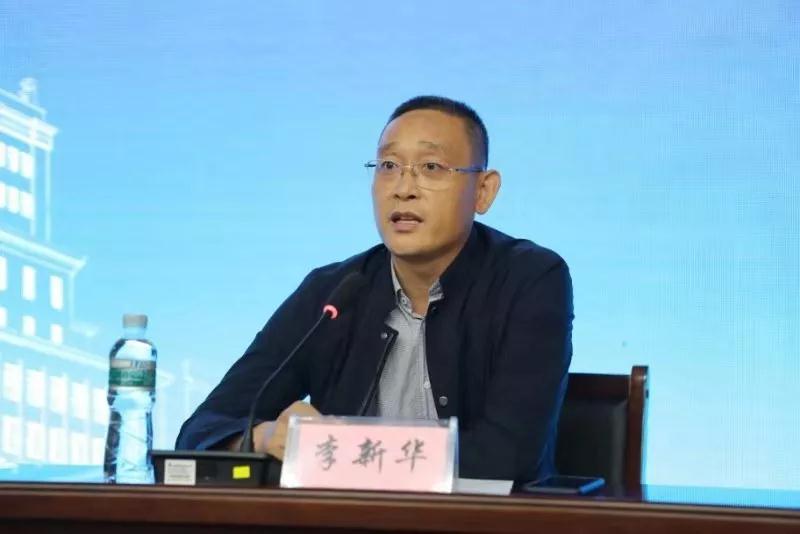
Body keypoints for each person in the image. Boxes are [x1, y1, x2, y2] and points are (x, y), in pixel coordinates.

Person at [176, 95, 574, 482]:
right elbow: (203, 428)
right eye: (388, 166)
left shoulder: (531, 280)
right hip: (346, 516)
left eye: (431, 167)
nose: (403, 188)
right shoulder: (334, 292)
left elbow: (509, 456)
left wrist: (335, 449)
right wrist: (262, 437)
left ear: (483, 191)